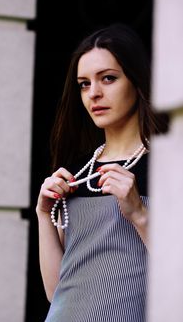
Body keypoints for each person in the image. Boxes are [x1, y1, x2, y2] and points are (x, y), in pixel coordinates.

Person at [36, 23, 158, 322]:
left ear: (137, 80)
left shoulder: (167, 169)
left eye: (108, 78)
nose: (94, 93)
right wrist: (43, 213)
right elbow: (56, 291)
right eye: (84, 83)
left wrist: (140, 214)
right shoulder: (76, 174)